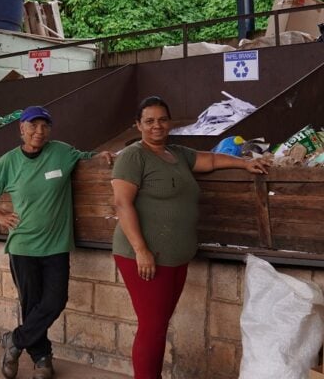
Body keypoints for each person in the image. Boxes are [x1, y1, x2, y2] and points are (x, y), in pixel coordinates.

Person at [111, 96, 270, 379]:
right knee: (152, 325)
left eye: (162, 119)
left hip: (175, 256)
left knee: (158, 324)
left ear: (170, 123)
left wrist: (243, 163)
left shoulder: (176, 153)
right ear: (138, 126)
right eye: (149, 121)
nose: (156, 126)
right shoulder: (133, 157)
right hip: (146, 256)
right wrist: (141, 249)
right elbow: (123, 204)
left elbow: (208, 159)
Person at [0, 106, 115, 379]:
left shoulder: (61, 152)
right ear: (21, 129)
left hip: (56, 246)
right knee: (31, 304)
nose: (39, 131)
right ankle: (42, 359)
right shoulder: (9, 161)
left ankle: (15, 340)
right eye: (33, 126)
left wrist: (101, 156)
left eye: (44, 126)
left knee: (55, 300)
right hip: (23, 246)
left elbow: (86, 157)